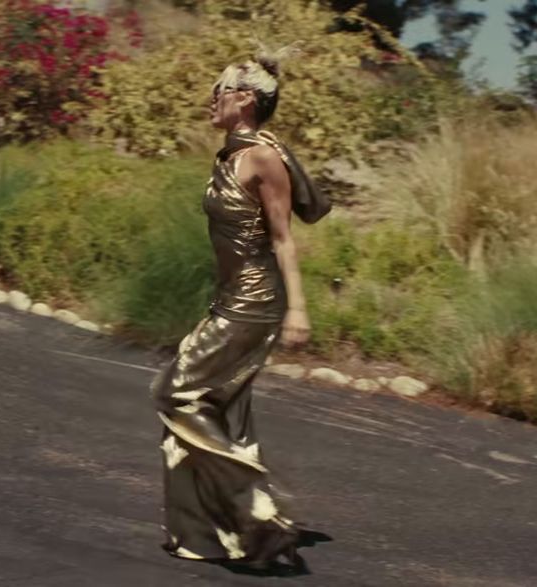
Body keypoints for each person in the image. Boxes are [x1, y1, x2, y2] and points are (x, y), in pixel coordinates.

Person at [151, 43, 330, 573]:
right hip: (229, 298)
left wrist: (298, 308)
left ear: (246, 99)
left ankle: (261, 519)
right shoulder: (232, 152)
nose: (211, 99)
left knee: (173, 392)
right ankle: (211, 534)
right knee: (219, 409)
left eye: (220, 91)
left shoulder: (264, 157)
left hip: (255, 302)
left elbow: (283, 237)